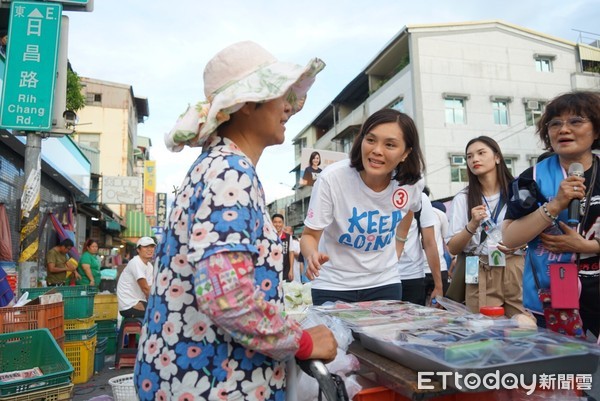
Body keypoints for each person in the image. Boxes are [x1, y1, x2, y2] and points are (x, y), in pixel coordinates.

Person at [134, 41, 337, 400]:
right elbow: (228, 297)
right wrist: (302, 341)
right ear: (246, 104)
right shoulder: (231, 171)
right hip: (215, 382)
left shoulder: (217, 166)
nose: (289, 107)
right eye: (279, 95)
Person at [301, 108, 425, 305]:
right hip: (333, 285)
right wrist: (312, 255)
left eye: (390, 144)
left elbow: (409, 210)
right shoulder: (332, 179)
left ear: (406, 153)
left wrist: (398, 246)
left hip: (385, 282)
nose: (377, 150)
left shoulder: (411, 183)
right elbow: (309, 235)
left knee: (381, 337)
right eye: (371, 140)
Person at [503, 91, 600, 338]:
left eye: (576, 121)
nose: (563, 129)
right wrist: (555, 205)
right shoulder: (531, 178)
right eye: (555, 123)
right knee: (564, 374)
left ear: (596, 130)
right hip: (551, 297)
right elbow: (510, 239)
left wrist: (587, 245)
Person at [446, 136, 527, 317]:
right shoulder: (463, 198)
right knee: (484, 328)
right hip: (480, 265)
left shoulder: (518, 191)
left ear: (497, 157)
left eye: (481, 153)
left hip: (515, 263)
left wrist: (521, 244)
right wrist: (472, 225)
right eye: (469, 156)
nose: (474, 159)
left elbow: (533, 230)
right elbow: (453, 247)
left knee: (522, 323)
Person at [397, 192, 443, 305]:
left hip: (412, 274)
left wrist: (438, 285)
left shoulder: (419, 198)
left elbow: (429, 242)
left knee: (413, 321)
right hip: (381, 277)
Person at [116, 236, 155, 318]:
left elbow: (149, 288)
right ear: (138, 250)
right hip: (129, 305)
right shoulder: (135, 262)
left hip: (139, 301)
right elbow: (145, 288)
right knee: (158, 314)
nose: (149, 249)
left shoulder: (149, 266)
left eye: (151, 246)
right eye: (145, 247)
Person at [425, 200, 451, 297]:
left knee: (441, 305)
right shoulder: (407, 211)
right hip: (415, 271)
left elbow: (447, 240)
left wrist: (453, 258)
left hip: (439, 267)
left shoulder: (439, 214)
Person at [272, 214, 293, 282]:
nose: (277, 224)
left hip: (285, 270)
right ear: (272, 223)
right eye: (275, 222)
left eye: (279, 222)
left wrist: (291, 269)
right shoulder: (269, 236)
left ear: (283, 223)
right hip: (272, 270)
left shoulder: (288, 237)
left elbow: (291, 253)